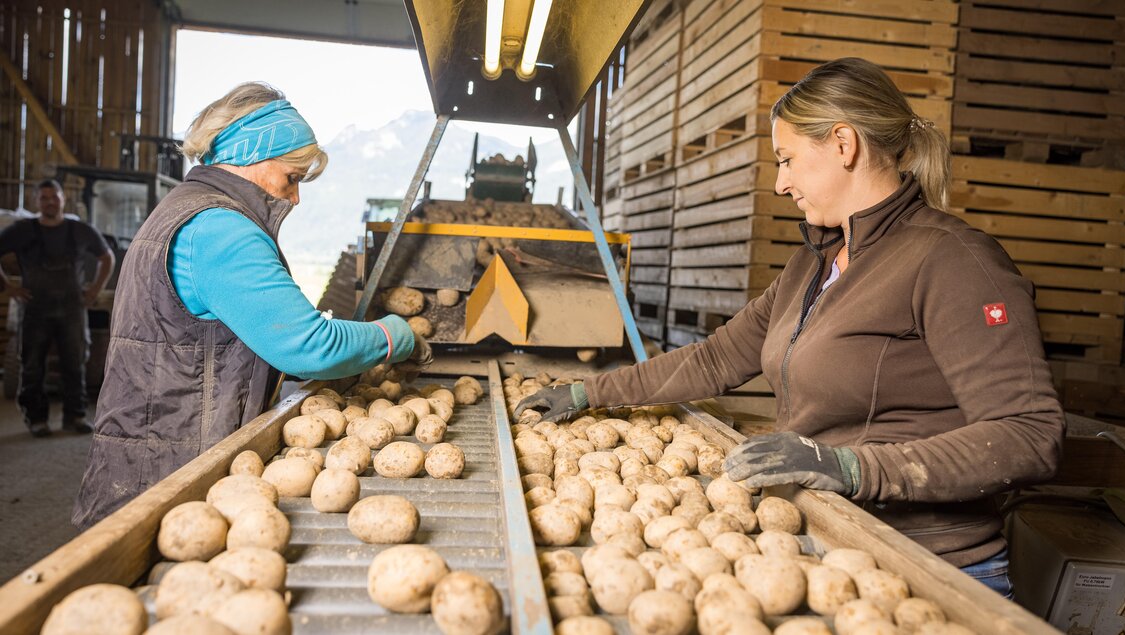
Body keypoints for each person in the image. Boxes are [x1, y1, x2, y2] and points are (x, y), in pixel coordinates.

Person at [517, 58, 1064, 596]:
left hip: (929, 571)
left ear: (843, 145)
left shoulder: (955, 262)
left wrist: (852, 467)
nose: (780, 184)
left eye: (787, 159)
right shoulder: (815, 262)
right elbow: (714, 360)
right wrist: (587, 391)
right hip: (829, 545)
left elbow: (1030, 435)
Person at [72, 82, 431, 529]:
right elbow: (308, 345)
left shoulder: (186, 209)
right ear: (252, 158)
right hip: (172, 465)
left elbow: (246, 336)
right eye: (292, 179)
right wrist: (396, 335)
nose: (295, 198)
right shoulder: (221, 229)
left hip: (152, 446)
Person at [0, 179, 115, 438]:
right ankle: (36, 419)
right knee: (31, 366)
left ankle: (74, 416)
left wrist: (95, 289)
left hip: (72, 308)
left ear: (63, 199)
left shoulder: (79, 230)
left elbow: (107, 257)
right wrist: (9, 288)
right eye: (44, 198)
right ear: (36, 202)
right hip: (35, 308)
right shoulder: (22, 230)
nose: (50, 202)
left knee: (75, 363)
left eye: (54, 197)